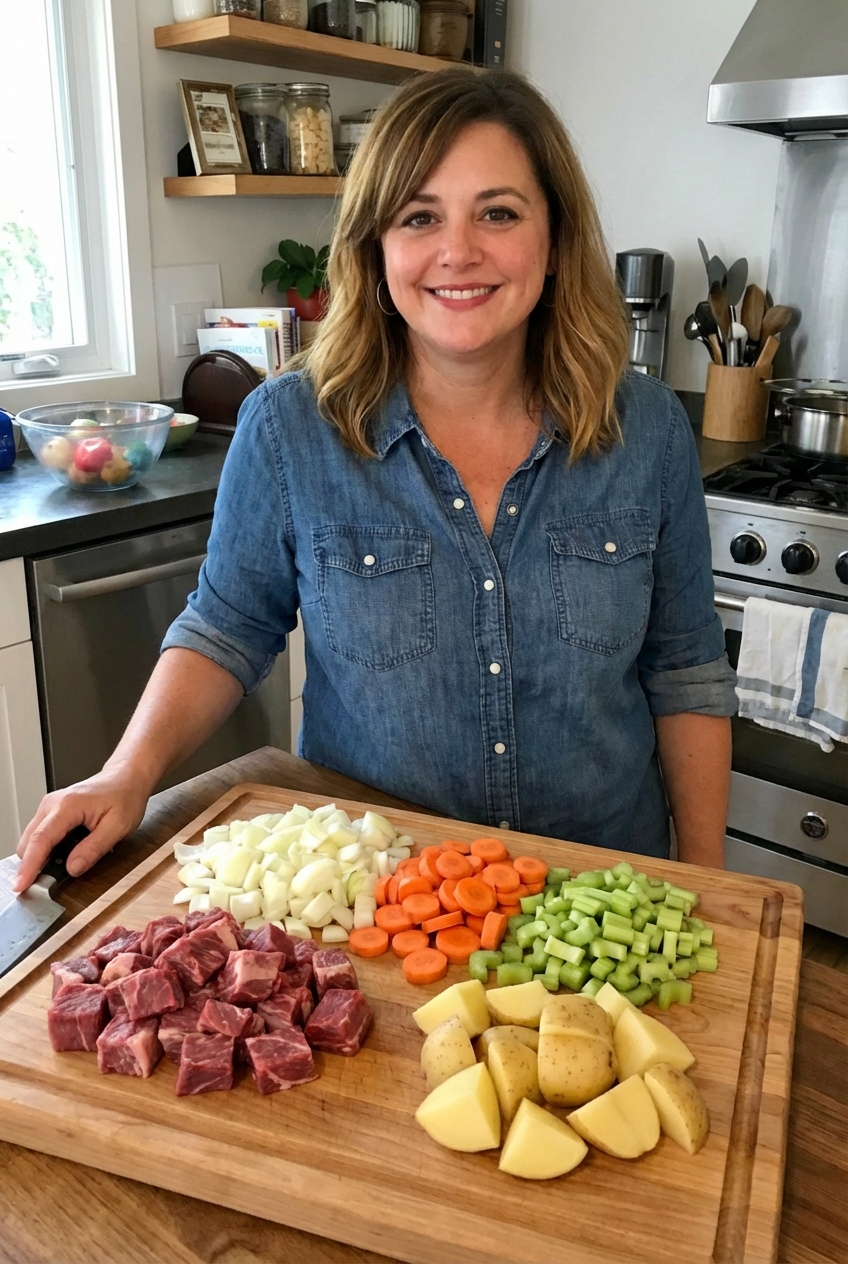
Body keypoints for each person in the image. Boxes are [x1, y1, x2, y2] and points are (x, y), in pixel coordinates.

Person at [15, 67, 736, 893]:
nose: (458, 252)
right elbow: (229, 624)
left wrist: (713, 885)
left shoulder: (647, 428)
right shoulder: (289, 426)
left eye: (498, 213)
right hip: (383, 898)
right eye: (419, 217)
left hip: (603, 895)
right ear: (376, 246)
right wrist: (126, 773)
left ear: (555, 238)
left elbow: (686, 668)